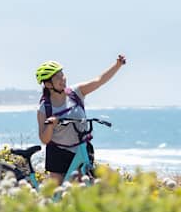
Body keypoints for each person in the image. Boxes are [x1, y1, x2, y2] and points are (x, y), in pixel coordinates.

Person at [36, 55, 126, 184]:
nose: (62, 79)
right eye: (57, 77)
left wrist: (117, 65)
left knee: (85, 186)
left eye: (62, 75)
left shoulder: (76, 92)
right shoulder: (44, 108)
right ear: (48, 84)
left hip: (81, 149)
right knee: (57, 196)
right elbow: (44, 139)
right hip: (58, 153)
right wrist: (51, 124)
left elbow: (99, 81)